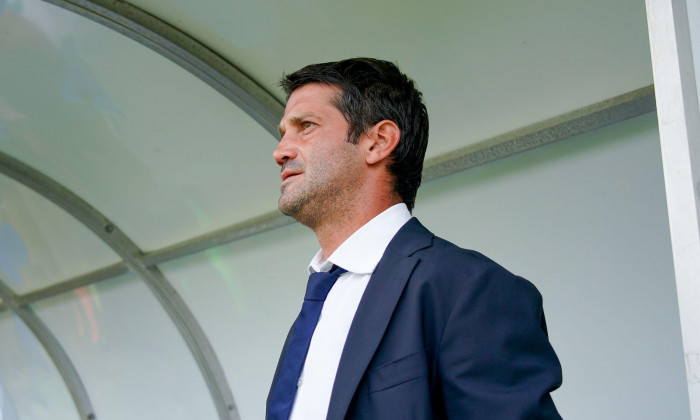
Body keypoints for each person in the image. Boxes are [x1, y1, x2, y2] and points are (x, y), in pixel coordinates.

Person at [266, 58, 562, 420]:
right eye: (283, 133)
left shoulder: (470, 289)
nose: (280, 150)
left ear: (378, 141)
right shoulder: (318, 300)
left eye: (305, 126)